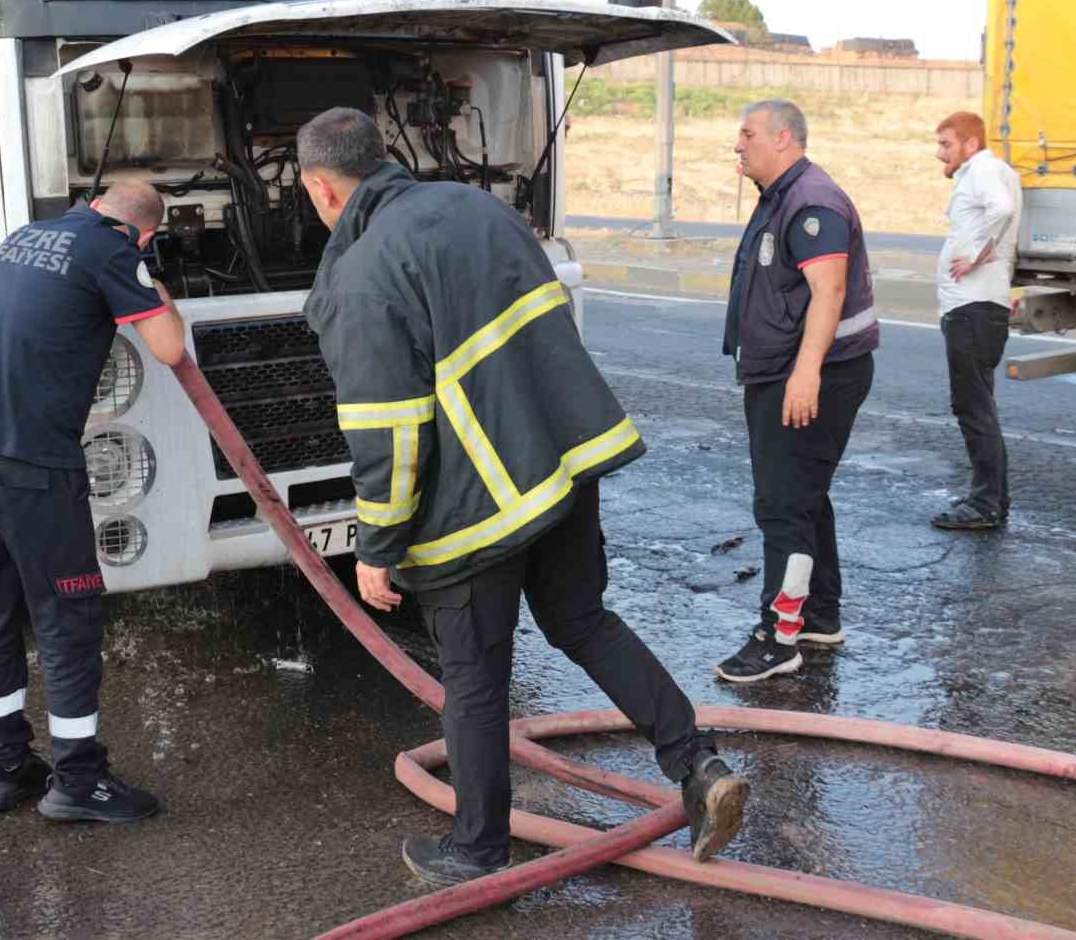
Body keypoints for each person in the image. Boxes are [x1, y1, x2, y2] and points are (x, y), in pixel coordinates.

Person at [296, 107, 748, 887]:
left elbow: (389, 432)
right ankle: (698, 764)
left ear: (320, 189)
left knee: (473, 678)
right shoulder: (478, 209)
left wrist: (376, 547)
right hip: (560, 469)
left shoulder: (364, 272)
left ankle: (477, 851)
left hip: (474, 510)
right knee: (583, 621)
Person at [0, 181, 184, 823]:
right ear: (143, 234)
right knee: (67, 616)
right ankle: (78, 779)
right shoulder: (114, 251)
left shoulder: (22, 237)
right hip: (35, 466)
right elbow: (169, 347)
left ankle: (5, 768)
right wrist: (149, 279)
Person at [715, 99, 878, 684]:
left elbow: (828, 291)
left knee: (783, 505)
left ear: (783, 138)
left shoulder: (811, 201)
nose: (738, 143)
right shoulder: (781, 195)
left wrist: (806, 374)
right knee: (805, 496)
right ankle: (818, 616)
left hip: (812, 374)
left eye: (748, 133)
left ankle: (777, 638)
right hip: (787, 370)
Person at [931, 111, 1021, 531]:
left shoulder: (982, 170)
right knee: (979, 405)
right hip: (979, 306)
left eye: (946, 144)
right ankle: (993, 498)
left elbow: (1002, 211)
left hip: (972, 308)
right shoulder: (996, 171)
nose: (939, 153)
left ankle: (985, 505)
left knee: (972, 407)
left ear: (970, 144)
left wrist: (977, 256)